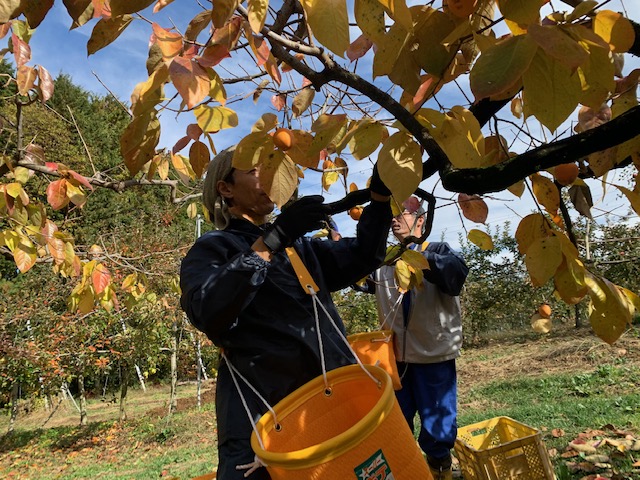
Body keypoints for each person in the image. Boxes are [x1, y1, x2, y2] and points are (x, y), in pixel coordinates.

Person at [179, 148, 392, 480]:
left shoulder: (298, 248)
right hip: (264, 412)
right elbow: (207, 310)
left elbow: (363, 256)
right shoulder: (213, 248)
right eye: (256, 169)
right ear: (226, 189)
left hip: (330, 399)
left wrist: (379, 201)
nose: (270, 174)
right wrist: (271, 240)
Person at [371, 197, 468, 480]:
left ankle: (440, 469)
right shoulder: (385, 259)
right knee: (396, 422)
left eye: (401, 213)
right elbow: (365, 281)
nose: (394, 219)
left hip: (432, 354)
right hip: (395, 358)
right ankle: (408, 470)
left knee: (438, 423)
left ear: (421, 220)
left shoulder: (435, 250)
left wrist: (415, 257)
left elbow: (455, 275)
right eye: (391, 215)